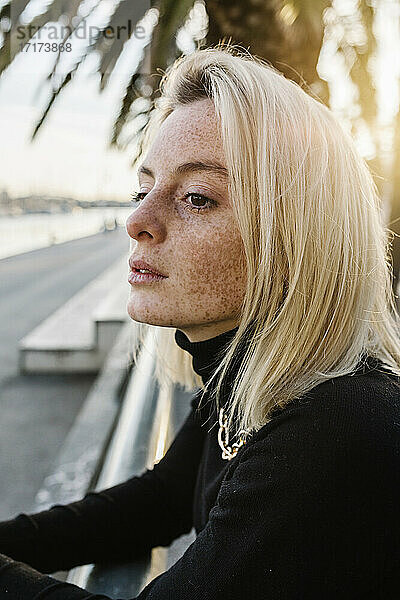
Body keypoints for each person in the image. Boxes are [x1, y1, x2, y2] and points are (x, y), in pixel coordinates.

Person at [1, 45, 400, 599]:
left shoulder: (334, 428)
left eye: (196, 197)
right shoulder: (249, 369)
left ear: (295, 236)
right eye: (143, 190)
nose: (137, 220)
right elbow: (163, 497)